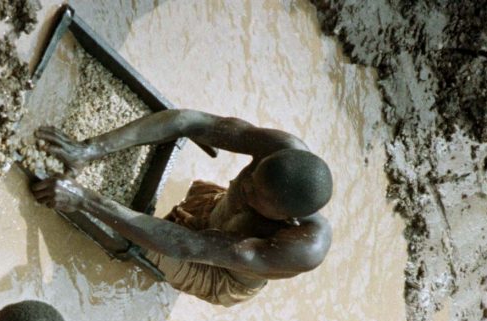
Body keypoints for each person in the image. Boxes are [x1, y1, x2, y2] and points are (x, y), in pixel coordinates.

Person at [30, 109, 333, 307]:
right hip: (215, 213)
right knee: (177, 214)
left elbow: (187, 245)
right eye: (251, 176)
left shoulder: (299, 248)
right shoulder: (285, 149)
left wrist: (84, 199)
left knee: (138, 245)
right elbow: (189, 122)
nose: (244, 184)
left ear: (286, 218)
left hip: (221, 269)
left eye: (255, 194)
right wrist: (89, 149)